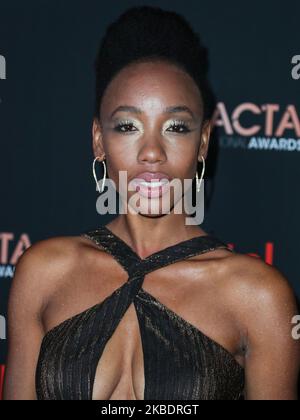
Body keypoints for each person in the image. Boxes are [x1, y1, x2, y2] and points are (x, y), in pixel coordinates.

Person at [3, 5, 300, 400]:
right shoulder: (43, 272)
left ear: (204, 142)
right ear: (98, 139)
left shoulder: (259, 296)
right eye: (128, 126)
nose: (152, 151)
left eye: (176, 127)